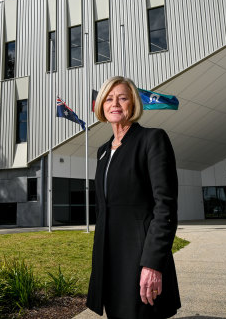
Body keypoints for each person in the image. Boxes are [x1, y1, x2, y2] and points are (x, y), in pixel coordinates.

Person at [86, 76, 181, 319]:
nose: (114, 103)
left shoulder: (152, 139)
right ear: (101, 106)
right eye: (108, 98)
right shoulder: (102, 151)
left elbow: (165, 207)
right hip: (110, 259)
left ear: (133, 104)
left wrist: (152, 263)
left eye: (122, 98)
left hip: (139, 257)